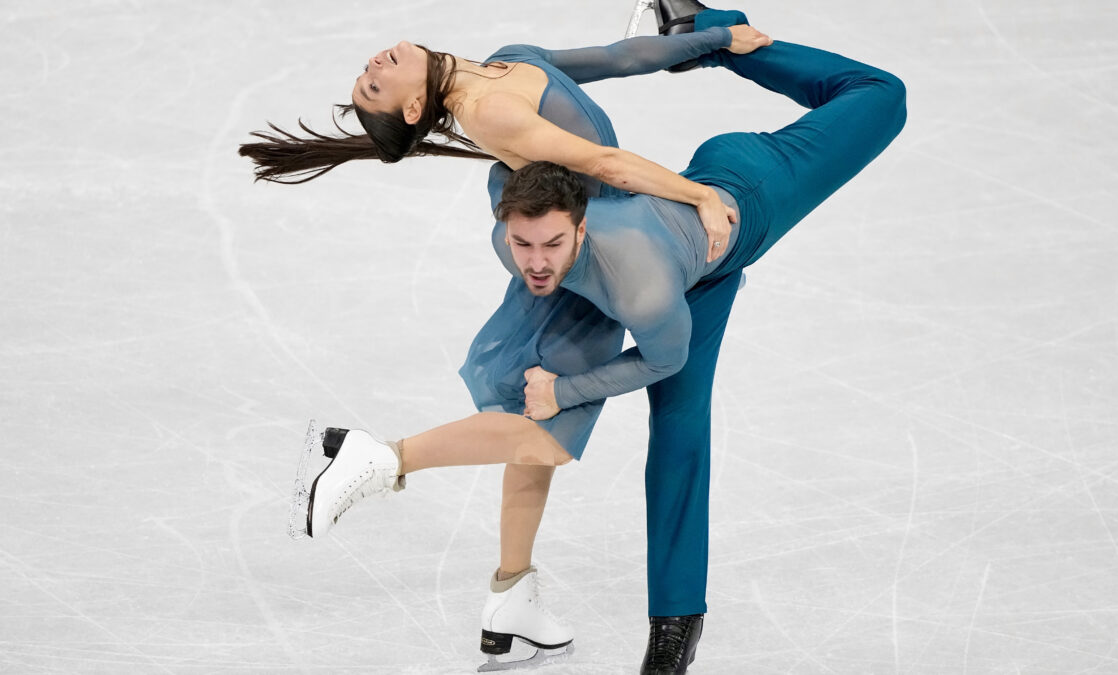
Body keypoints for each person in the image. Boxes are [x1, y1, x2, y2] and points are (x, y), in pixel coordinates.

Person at [243, 6, 773, 671]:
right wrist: (698, 196)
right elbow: (605, 164)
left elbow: (617, 58)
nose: (372, 65)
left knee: (535, 434)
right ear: (415, 108)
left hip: (592, 243)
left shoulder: (501, 62)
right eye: (373, 85)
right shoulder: (488, 108)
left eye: (367, 74)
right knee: (543, 437)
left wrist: (715, 38)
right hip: (589, 261)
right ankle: (381, 459)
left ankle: (510, 601)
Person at [471, 7, 907, 672]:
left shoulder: (634, 282)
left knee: (883, 96)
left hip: (741, 194)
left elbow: (662, 353)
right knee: (679, 427)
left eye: (548, 244)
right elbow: (531, 151)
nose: (533, 260)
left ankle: (705, 28)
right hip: (691, 271)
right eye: (524, 244)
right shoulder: (521, 226)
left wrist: (716, 39)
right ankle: (675, 624)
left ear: (578, 228)